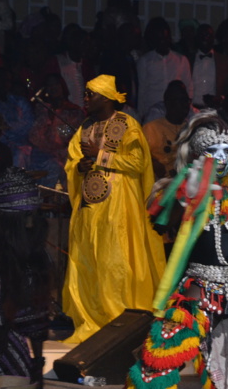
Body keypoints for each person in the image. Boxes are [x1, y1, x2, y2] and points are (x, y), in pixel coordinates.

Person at [125, 111, 228, 389]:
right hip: (198, 288)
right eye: (213, 151)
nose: (222, 157)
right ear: (199, 154)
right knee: (160, 356)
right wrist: (187, 195)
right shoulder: (178, 187)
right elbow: (160, 221)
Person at [62, 74, 166, 343]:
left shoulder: (126, 124)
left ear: (106, 98)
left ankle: (120, 320)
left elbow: (137, 163)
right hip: (90, 208)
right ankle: (93, 317)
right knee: (91, 260)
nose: (85, 100)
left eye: (90, 95)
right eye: (85, 94)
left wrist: (100, 156)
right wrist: (79, 168)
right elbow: (73, 161)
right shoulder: (84, 127)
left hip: (120, 208)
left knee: (117, 262)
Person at [0, 166, 50, 389]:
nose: (30, 224)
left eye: (34, 216)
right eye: (25, 217)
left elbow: (35, 320)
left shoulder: (30, 256)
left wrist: (37, 366)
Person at [29, 73, 85, 188]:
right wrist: (47, 119)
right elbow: (34, 137)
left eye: (56, 84)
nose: (53, 88)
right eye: (49, 85)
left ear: (62, 87)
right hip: (42, 154)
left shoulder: (74, 112)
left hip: (65, 153)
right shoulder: (41, 108)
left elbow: (65, 137)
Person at [137, 17, 192, 122]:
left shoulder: (181, 60)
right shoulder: (145, 61)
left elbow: (189, 89)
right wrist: (141, 115)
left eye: (165, 38)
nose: (163, 42)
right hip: (152, 114)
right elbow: (142, 91)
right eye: (159, 39)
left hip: (176, 114)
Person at [142, 80, 191, 179]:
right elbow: (136, 157)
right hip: (158, 188)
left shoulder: (190, 129)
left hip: (184, 187)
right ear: (168, 103)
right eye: (181, 100)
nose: (186, 105)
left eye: (187, 100)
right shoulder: (151, 128)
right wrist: (152, 163)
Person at [191, 24, 228, 109]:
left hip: (214, 110)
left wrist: (219, 99)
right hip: (191, 110)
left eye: (208, 35)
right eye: (202, 35)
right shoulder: (188, 60)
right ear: (197, 38)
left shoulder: (223, 61)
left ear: (213, 38)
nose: (205, 38)